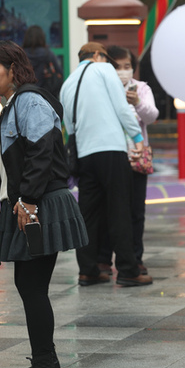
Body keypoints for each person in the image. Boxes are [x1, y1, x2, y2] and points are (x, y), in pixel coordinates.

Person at [0, 41, 88, 368]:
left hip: (41, 204)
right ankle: (48, 364)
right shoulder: (12, 105)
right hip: (30, 203)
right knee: (29, 285)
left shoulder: (29, 100)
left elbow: (42, 152)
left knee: (31, 286)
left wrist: (27, 201)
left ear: (14, 69)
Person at [59, 42, 153, 287]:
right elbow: (122, 107)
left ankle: (88, 270)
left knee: (88, 213)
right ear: (98, 56)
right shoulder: (103, 70)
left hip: (83, 154)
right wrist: (137, 137)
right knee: (119, 209)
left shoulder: (68, 83)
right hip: (110, 149)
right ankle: (128, 270)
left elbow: (68, 123)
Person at [96, 46, 159, 276]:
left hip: (136, 157)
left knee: (135, 211)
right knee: (107, 209)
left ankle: (135, 258)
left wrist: (137, 103)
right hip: (111, 156)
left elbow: (152, 116)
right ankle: (103, 259)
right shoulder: (102, 88)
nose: (123, 72)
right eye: (118, 67)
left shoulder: (141, 88)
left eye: (127, 67)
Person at [22, 25, 64, 99]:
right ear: (42, 38)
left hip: (25, 92)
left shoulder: (21, 55)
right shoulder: (48, 53)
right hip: (46, 94)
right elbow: (59, 72)